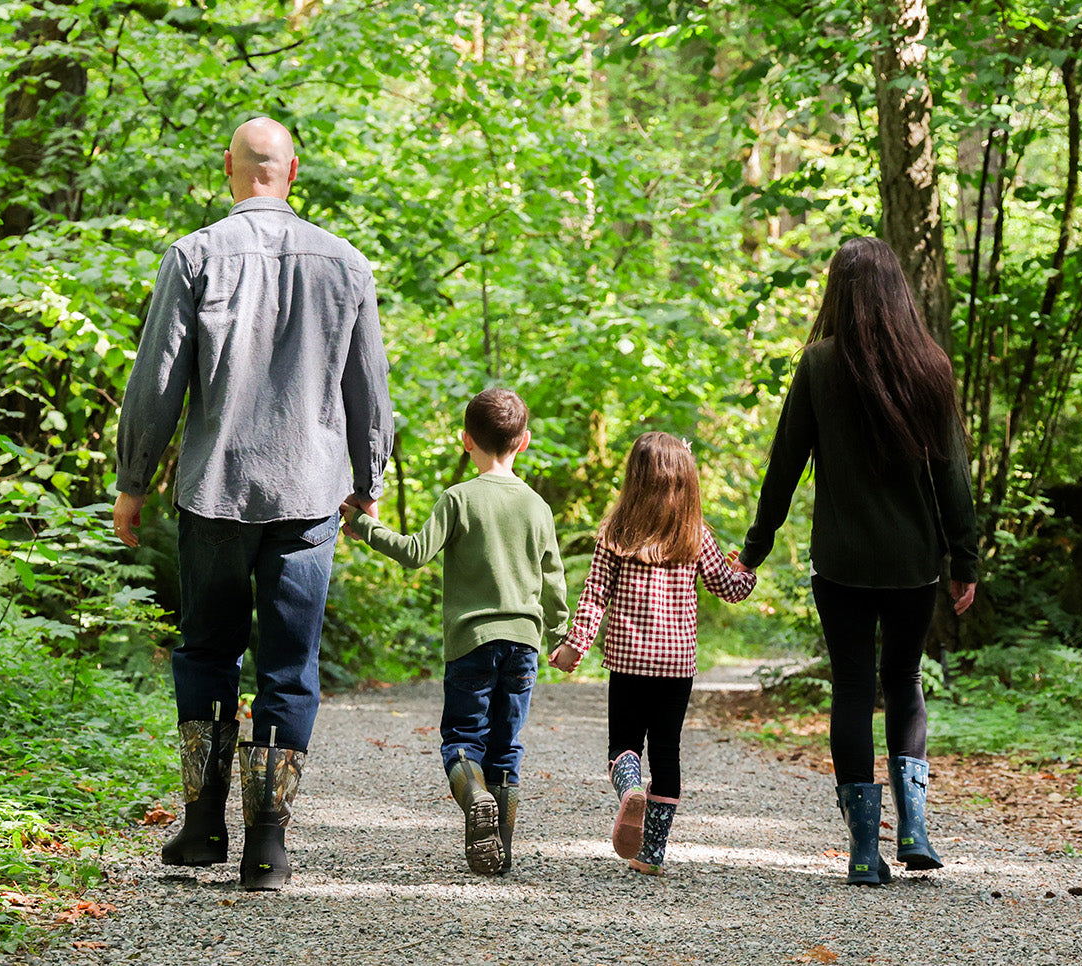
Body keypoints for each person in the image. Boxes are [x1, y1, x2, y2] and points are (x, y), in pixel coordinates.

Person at [112, 117, 391, 892]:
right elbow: (369, 389)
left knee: (207, 650)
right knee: (289, 666)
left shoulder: (193, 255)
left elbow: (158, 380)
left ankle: (204, 825)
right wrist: (367, 483)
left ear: (229, 169)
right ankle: (268, 847)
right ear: (292, 172)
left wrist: (133, 481)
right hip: (309, 496)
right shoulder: (346, 263)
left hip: (215, 492)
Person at [739, 236, 979, 886]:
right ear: (897, 290)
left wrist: (755, 548)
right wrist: (964, 557)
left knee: (851, 687)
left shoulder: (819, 365)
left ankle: (865, 852)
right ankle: (914, 829)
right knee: (903, 681)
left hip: (841, 562)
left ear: (837, 293)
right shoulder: (930, 365)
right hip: (912, 563)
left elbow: (784, 467)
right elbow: (953, 474)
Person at [341, 388, 568, 876]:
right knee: (507, 746)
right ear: (524, 441)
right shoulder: (538, 507)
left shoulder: (458, 498)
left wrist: (362, 525)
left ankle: (475, 797)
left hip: (471, 643)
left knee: (463, 739)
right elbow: (553, 581)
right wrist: (560, 636)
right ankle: (499, 852)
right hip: (523, 644)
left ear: (466, 440)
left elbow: (415, 553)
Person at [550, 432, 757, 876]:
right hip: (676, 665)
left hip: (628, 660)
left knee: (623, 746)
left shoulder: (615, 532)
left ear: (635, 478)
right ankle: (652, 854)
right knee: (666, 753)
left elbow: (594, 596)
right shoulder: (696, 536)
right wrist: (746, 568)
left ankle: (629, 791)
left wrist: (574, 646)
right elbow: (729, 588)